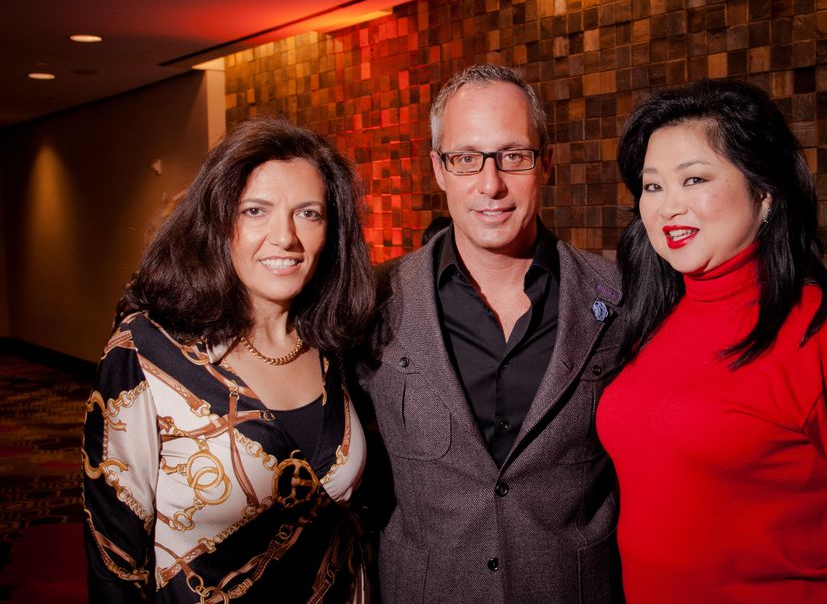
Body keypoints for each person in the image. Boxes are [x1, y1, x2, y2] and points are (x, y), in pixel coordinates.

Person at [598, 79, 827, 603]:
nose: (667, 207)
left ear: (764, 194)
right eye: (652, 186)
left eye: (693, 179)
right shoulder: (649, 316)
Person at [356, 64, 625, 602]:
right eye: (465, 159)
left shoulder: (619, 297)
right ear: (438, 169)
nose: (490, 184)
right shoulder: (372, 302)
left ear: (545, 163)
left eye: (513, 156)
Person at [83, 118, 376, 603]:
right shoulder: (146, 353)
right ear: (218, 221)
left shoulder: (334, 343)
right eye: (255, 211)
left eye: (309, 213)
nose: (285, 237)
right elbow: (115, 561)